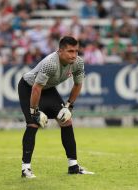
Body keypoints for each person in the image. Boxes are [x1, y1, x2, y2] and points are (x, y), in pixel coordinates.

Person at [18, 36, 94, 178]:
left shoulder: (78, 62)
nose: (74, 55)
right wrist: (34, 112)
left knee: (66, 120)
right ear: (60, 51)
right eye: (70, 51)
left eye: (76, 51)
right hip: (29, 88)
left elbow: (78, 84)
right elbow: (36, 88)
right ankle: (25, 169)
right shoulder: (50, 63)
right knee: (33, 124)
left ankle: (73, 166)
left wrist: (69, 106)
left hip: (48, 89)